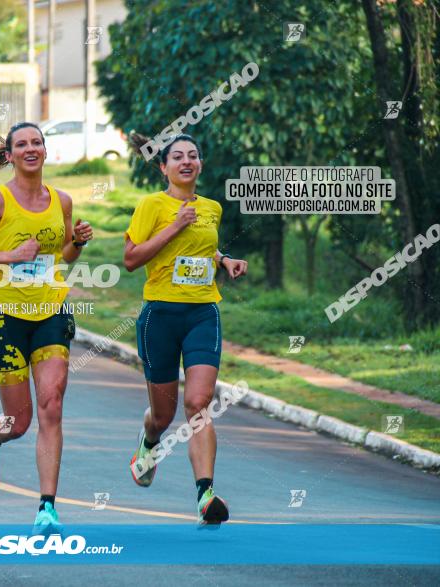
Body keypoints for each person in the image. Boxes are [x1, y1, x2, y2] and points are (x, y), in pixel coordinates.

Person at [0, 122, 93, 532]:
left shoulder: (63, 200)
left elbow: (65, 256)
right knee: (18, 423)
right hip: (4, 318)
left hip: (52, 312)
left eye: (37, 142)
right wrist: (10, 256)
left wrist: (79, 242)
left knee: (51, 405)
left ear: (45, 150)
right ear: (10, 156)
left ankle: (47, 508)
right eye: (22, 144)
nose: (31, 148)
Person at [124, 134, 248, 527]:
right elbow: (130, 258)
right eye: (177, 157)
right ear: (164, 167)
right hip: (159, 316)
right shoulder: (151, 205)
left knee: (198, 403)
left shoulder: (211, 208)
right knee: (163, 414)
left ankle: (205, 494)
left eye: (193, 155)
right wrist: (175, 226)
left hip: (202, 314)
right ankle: (149, 441)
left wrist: (223, 259)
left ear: (200, 164)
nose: (186, 161)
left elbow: (199, 247)